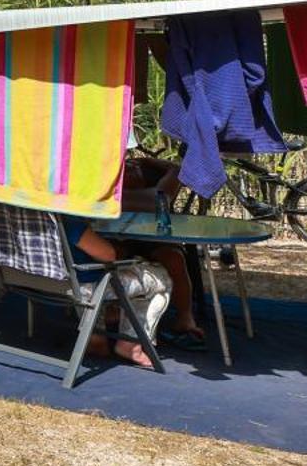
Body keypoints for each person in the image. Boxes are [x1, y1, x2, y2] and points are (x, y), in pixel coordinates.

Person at [118, 149, 211, 351]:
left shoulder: (156, 196)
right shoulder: (112, 189)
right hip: (118, 238)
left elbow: (174, 173)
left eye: (135, 168)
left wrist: (150, 161)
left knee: (174, 257)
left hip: (153, 238)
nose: (131, 166)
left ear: (147, 180)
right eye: (128, 166)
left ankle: (185, 317)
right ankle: (111, 312)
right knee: (113, 253)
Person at [61, 216, 172, 369]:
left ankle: (95, 337)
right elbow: (108, 255)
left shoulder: (26, 211)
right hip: (82, 287)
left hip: (49, 281)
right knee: (161, 279)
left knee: (100, 273)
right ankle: (130, 343)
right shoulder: (68, 220)